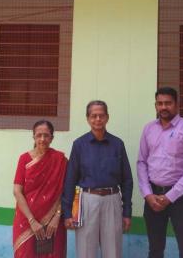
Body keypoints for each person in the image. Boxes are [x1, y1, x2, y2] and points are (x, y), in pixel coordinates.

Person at [137, 87, 183, 258]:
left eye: (168, 103)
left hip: (179, 198)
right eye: (160, 103)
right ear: (155, 106)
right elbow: (141, 162)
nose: (164, 107)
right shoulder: (148, 129)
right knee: (155, 248)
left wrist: (169, 197)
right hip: (152, 197)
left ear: (177, 104)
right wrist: (147, 194)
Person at [62, 100, 133, 258]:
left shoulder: (117, 144)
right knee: (86, 251)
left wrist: (127, 211)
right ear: (88, 119)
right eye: (93, 116)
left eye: (101, 115)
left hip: (112, 200)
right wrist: (67, 213)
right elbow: (70, 180)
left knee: (113, 251)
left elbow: (127, 180)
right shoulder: (79, 145)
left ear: (107, 117)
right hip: (87, 201)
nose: (98, 119)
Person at [12, 120, 68, 258]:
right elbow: (17, 191)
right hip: (26, 220)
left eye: (46, 135)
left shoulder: (60, 159)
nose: (42, 139)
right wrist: (32, 220)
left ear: (52, 138)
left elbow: (66, 191)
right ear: (34, 137)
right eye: (39, 135)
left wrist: (56, 217)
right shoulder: (24, 159)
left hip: (53, 221)